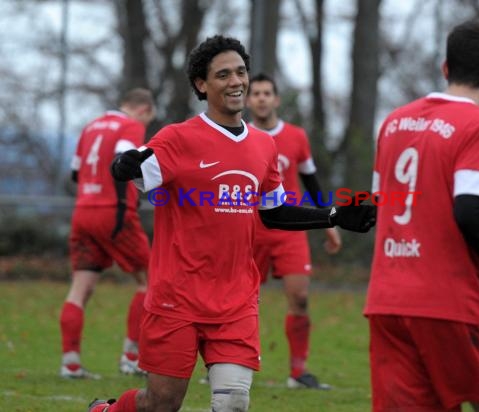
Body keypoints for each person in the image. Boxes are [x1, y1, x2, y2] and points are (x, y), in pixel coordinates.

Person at [88, 35, 375, 412]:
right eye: (223, 74)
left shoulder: (263, 145)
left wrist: (332, 216)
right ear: (201, 85)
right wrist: (124, 164)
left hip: (236, 300)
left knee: (234, 403)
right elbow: (134, 165)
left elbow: (273, 212)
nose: (237, 81)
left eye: (241, 71)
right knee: (160, 404)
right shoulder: (178, 138)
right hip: (178, 298)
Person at [365, 20, 479, 412]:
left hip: (386, 301)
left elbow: (378, 203)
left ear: (445, 67)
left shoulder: (393, 123)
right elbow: (470, 210)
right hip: (448, 303)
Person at [246, 73, 341, 390]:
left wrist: (328, 222)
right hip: (251, 230)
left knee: (300, 298)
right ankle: (230, 364)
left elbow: (311, 181)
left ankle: (299, 373)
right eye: (255, 93)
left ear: (276, 99)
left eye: (266, 93)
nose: (260, 98)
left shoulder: (297, 136)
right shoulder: (240, 136)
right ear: (248, 100)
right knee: (242, 302)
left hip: (289, 230)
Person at [60, 88, 155, 379]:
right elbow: (122, 159)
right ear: (144, 110)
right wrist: (124, 201)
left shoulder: (91, 126)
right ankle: (131, 357)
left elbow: (76, 173)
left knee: (80, 288)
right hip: (113, 211)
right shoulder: (130, 125)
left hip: (83, 211)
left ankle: (71, 363)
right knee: (151, 280)